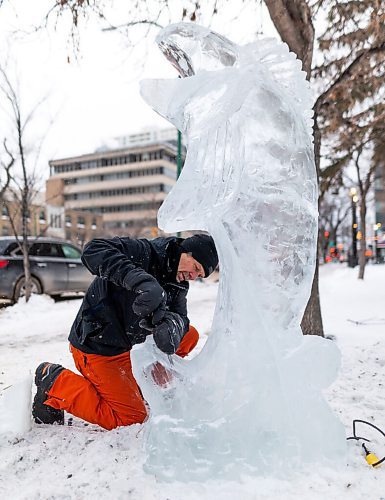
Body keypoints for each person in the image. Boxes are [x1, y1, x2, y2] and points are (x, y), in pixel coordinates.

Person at [32, 233, 218, 430]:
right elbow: (93, 249)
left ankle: (138, 382)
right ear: (185, 251)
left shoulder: (178, 281)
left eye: (200, 275)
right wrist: (141, 282)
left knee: (189, 335)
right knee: (130, 418)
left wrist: (172, 326)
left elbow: (182, 317)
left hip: (131, 344)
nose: (194, 276)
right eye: (196, 268)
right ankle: (54, 381)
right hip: (100, 348)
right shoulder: (145, 252)